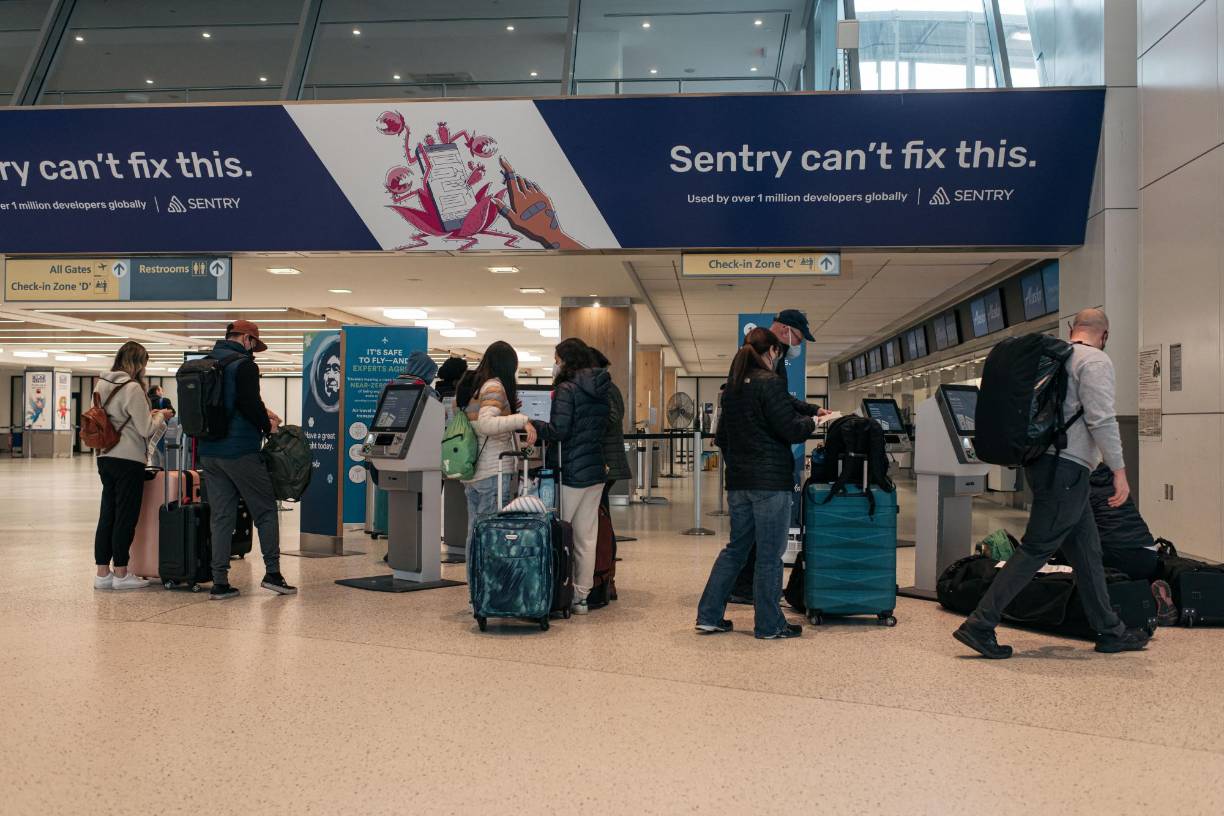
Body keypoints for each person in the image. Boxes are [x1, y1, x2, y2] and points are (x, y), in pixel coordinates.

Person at [954, 308, 1151, 657]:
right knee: (1036, 548)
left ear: (1072, 329)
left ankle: (1109, 630)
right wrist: (1120, 471)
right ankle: (980, 624)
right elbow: (1102, 419)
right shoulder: (1094, 362)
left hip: (1045, 463)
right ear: (1104, 336)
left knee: (1087, 550)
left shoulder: (1055, 359)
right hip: (1068, 469)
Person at [697, 328, 815, 639]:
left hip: (738, 483)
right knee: (768, 555)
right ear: (774, 351)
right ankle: (768, 624)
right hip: (770, 484)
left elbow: (722, 437)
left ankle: (709, 616)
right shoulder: (770, 382)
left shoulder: (732, 388)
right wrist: (815, 422)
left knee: (736, 549)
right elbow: (790, 428)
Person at [729, 308, 829, 605]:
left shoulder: (746, 368)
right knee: (767, 546)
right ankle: (764, 606)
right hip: (765, 472)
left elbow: (781, 401)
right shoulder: (769, 365)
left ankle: (732, 597)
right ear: (784, 332)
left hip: (741, 471)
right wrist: (814, 421)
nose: (798, 344)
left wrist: (811, 409)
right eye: (798, 337)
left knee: (741, 543)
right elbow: (784, 418)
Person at [198, 319, 295, 600]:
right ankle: (273, 574)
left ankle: (219, 582)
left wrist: (262, 413)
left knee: (221, 516)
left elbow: (231, 403)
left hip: (210, 453)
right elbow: (249, 404)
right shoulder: (244, 365)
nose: (254, 350)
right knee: (264, 510)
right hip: (240, 451)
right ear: (246, 339)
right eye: (254, 344)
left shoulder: (207, 363)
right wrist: (268, 426)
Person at [531, 338, 610, 615]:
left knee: (561, 532)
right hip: (595, 470)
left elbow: (560, 430)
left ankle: (559, 591)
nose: (555, 365)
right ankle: (581, 596)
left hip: (570, 472)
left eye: (557, 360)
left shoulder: (567, 388)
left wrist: (533, 424)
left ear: (566, 360)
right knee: (587, 536)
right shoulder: (602, 388)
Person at [93, 342, 171, 590]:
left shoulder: (101, 383)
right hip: (128, 459)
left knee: (108, 514)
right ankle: (121, 574)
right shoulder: (133, 388)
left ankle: (102, 574)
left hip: (105, 456)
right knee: (125, 516)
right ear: (138, 363)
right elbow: (146, 428)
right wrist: (160, 415)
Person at [457, 341, 538, 544]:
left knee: (475, 531)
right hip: (492, 469)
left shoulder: (473, 385)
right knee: (490, 532)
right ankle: (488, 576)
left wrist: (507, 409)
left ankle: (475, 576)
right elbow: (486, 424)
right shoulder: (494, 386)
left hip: (473, 469)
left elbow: (473, 422)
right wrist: (522, 420)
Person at [589, 348, 631, 510]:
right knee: (600, 504)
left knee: (599, 505)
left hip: (606, 456)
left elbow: (613, 416)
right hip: (610, 456)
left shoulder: (603, 387)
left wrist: (589, 423)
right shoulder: (609, 386)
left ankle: (604, 535)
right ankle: (606, 536)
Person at [146, 385, 175, 469]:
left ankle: (155, 480)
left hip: (149, 435)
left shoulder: (145, 402)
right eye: (161, 390)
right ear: (157, 391)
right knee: (163, 461)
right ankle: (163, 481)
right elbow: (172, 413)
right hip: (162, 434)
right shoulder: (164, 401)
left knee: (153, 462)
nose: (162, 392)